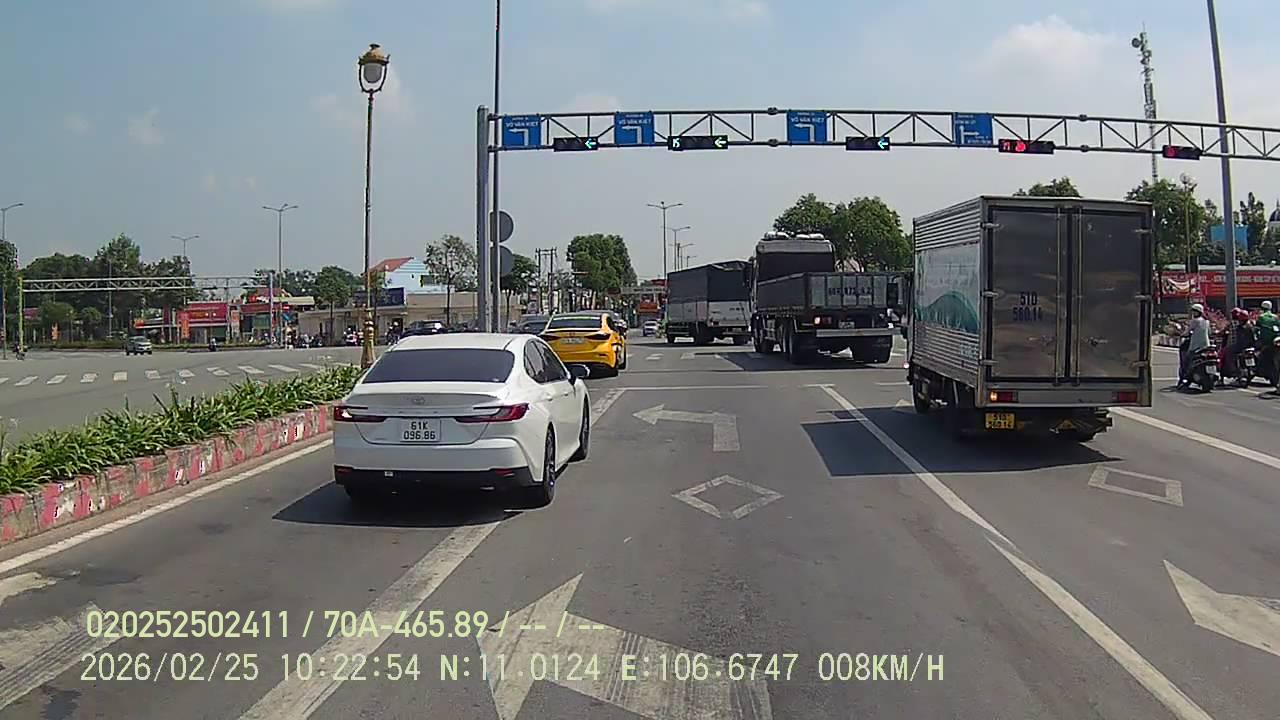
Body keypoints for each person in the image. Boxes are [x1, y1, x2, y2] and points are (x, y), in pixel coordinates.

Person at [1178, 303, 1211, 389]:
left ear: (1198, 312)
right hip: (1206, 345)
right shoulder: (1206, 322)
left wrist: (1181, 335)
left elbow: (1187, 332)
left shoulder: (1195, 321)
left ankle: (1185, 378)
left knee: (1186, 361)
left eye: (1194, 311)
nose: (1193, 313)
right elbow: (1209, 332)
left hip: (1196, 346)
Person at [1222, 308, 1254, 377]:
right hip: (1250, 346)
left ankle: (1233, 369)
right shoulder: (1250, 325)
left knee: (1228, 352)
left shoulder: (1237, 326)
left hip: (1240, 346)